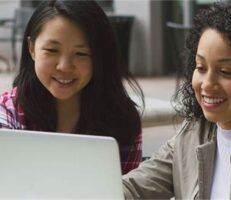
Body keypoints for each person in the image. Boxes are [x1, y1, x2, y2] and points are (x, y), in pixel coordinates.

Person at [122, 1, 231, 199]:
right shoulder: (192, 134)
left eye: (226, 71)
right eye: (200, 67)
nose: (207, 83)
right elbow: (133, 188)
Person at [0, 0, 144, 175]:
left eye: (81, 54)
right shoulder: (7, 113)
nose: (64, 66)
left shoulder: (122, 121)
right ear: (32, 48)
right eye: (52, 50)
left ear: (100, 57)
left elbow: (126, 191)